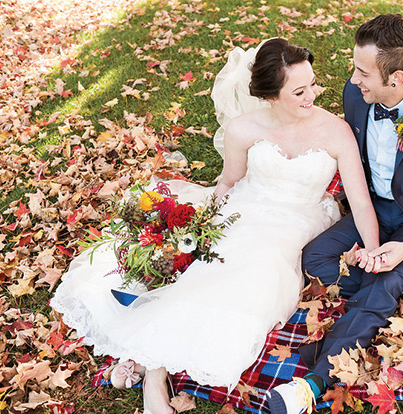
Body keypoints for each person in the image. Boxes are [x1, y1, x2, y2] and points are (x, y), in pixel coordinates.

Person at [50, 38, 380, 414]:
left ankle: (149, 362)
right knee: (206, 263)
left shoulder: (334, 131)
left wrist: (373, 249)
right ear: (271, 96)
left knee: (258, 268)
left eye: (314, 85)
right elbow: (229, 181)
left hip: (298, 221)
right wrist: (209, 220)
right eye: (300, 91)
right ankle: (155, 372)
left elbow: (359, 200)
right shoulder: (244, 128)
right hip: (246, 207)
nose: (312, 96)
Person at [267, 14, 403, 414]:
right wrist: (369, 244)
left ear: (395, 78)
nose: (353, 78)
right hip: (374, 210)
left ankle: (312, 384)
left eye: (363, 72)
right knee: (315, 257)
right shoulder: (356, 94)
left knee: (380, 287)